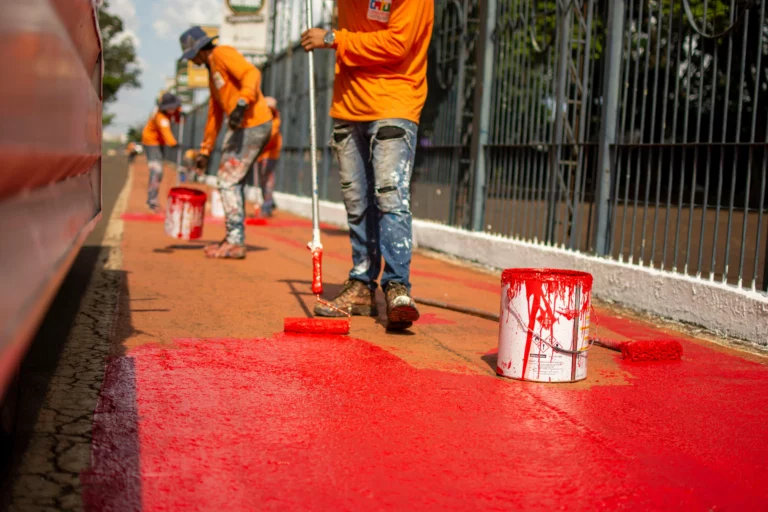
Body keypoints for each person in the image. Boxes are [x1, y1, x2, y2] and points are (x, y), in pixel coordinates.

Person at [300, 0, 434, 330]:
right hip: (348, 105)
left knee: (390, 196)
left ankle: (397, 287)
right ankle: (361, 284)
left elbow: (396, 44)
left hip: (395, 100)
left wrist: (333, 39)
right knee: (356, 201)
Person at [179, 26, 273, 259]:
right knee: (233, 181)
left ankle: (235, 241)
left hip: (253, 122)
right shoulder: (212, 73)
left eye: (192, 57)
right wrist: (205, 150)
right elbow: (214, 114)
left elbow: (251, 73)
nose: (193, 62)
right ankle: (234, 237)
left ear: (199, 50)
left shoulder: (221, 53)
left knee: (228, 180)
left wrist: (243, 102)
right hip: (243, 126)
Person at [141, 92, 182, 213]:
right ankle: (151, 200)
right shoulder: (160, 117)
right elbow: (166, 132)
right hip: (151, 142)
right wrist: (173, 143)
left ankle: (153, 198)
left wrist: (179, 114)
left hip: (160, 143)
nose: (173, 110)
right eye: (170, 108)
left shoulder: (172, 111)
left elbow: (178, 119)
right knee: (156, 170)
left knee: (159, 172)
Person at [255, 96, 281, 218]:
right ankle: (270, 202)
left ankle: (267, 205)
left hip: (270, 154)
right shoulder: (260, 119)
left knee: (267, 179)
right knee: (263, 180)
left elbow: (270, 136)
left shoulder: (274, 121)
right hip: (261, 154)